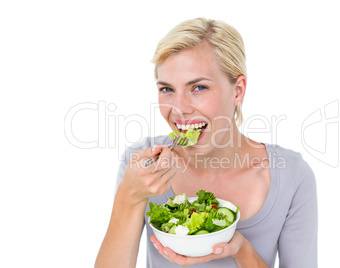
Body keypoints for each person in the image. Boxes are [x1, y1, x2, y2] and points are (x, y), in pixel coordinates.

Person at [95, 18, 317, 268]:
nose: (178, 109)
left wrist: (242, 251)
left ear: (238, 91)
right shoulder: (142, 163)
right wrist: (130, 196)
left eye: (198, 87)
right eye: (167, 89)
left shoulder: (291, 175)